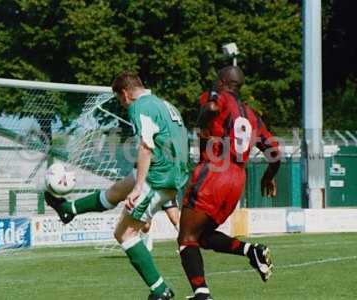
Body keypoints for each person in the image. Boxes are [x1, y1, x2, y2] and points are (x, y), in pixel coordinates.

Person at [45, 71, 189, 300]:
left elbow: (145, 146)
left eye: (119, 100)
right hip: (171, 169)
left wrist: (139, 186)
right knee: (116, 191)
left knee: (124, 234)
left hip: (158, 176)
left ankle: (160, 290)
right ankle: (68, 210)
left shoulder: (138, 107)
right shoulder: (163, 104)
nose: (121, 105)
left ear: (124, 93)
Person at [177, 66, 281, 300]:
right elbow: (274, 152)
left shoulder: (217, 96)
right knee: (202, 236)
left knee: (186, 238)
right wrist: (267, 177)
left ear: (223, 82)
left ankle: (202, 296)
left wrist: (200, 121)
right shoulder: (252, 115)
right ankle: (252, 251)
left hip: (213, 173)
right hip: (236, 181)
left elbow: (212, 107)